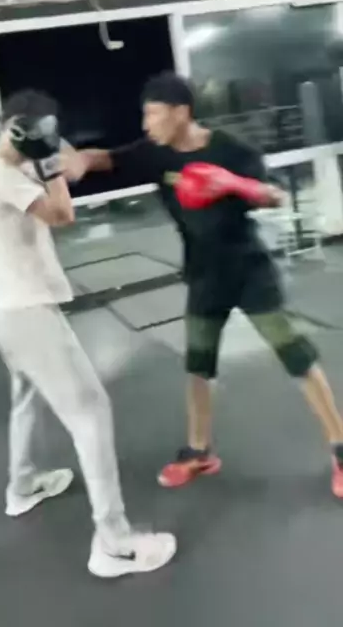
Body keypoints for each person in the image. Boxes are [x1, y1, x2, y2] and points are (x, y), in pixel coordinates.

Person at [61, 71, 343, 499]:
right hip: (204, 275)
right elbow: (107, 158)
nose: (146, 124)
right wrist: (80, 161)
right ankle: (199, 451)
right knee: (198, 366)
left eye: (153, 114)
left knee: (296, 355)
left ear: (181, 112)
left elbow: (275, 195)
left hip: (249, 271)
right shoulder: (154, 153)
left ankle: (340, 449)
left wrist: (232, 183)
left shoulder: (231, 150)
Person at [0, 89, 177, 578]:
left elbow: (65, 169)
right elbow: (62, 215)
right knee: (91, 411)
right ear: (15, 129)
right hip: (28, 314)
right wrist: (51, 166)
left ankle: (22, 486)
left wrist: (63, 159)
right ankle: (114, 542)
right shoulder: (4, 175)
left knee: (27, 396)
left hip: (9, 309)